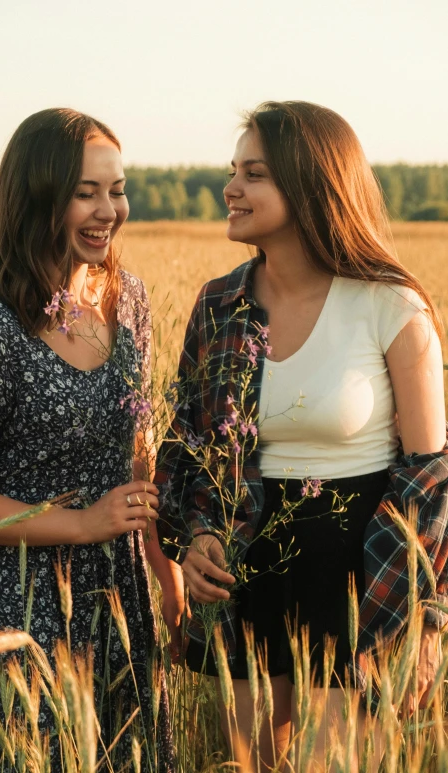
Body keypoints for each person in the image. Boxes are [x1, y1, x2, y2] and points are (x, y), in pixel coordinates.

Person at [155, 101, 446, 771]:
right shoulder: (217, 302)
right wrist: (196, 538)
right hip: (246, 573)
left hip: (358, 576)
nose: (230, 188)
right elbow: (187, 452)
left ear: (310, 182)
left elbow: (429, 476)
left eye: (253, 173)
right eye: (233, 170)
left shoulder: (388, 304)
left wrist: (425, 617)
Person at [0, 108, 183, 771]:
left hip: (116, 605)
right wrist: (81, 523)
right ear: (39, 195)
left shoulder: (126, 300)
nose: (109, 209)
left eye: (116, 189)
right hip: (14, 612)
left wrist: (164, 571)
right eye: (86, 191)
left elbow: (139, 446)